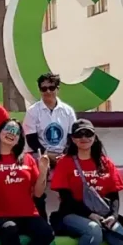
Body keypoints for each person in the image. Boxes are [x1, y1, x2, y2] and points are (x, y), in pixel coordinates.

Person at [50, 119, 123, 245]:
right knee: (93, 232)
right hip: (72, 214)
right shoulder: (66, 162)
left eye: (88, 134)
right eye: (79, 135)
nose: (84, 138)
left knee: (122, 239)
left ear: (94, 137)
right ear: (73, 139)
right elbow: (66, 197)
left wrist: (113, 216)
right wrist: (89, 214)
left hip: (103, 214)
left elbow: (114, 194)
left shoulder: (105, 162)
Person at [23, 72, 77, 217]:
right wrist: (49, 156)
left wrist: (64, 156)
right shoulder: (33, 111)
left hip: (62, 155)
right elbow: (32, 140)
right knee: (38, 182)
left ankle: (67, 216)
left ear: (57, 88)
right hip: (39, 155)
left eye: (51, 88)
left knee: (73, 180)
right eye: (43, 88)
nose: (47, 92)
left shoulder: (68, 111)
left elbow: (72, 138)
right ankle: (40, 217)